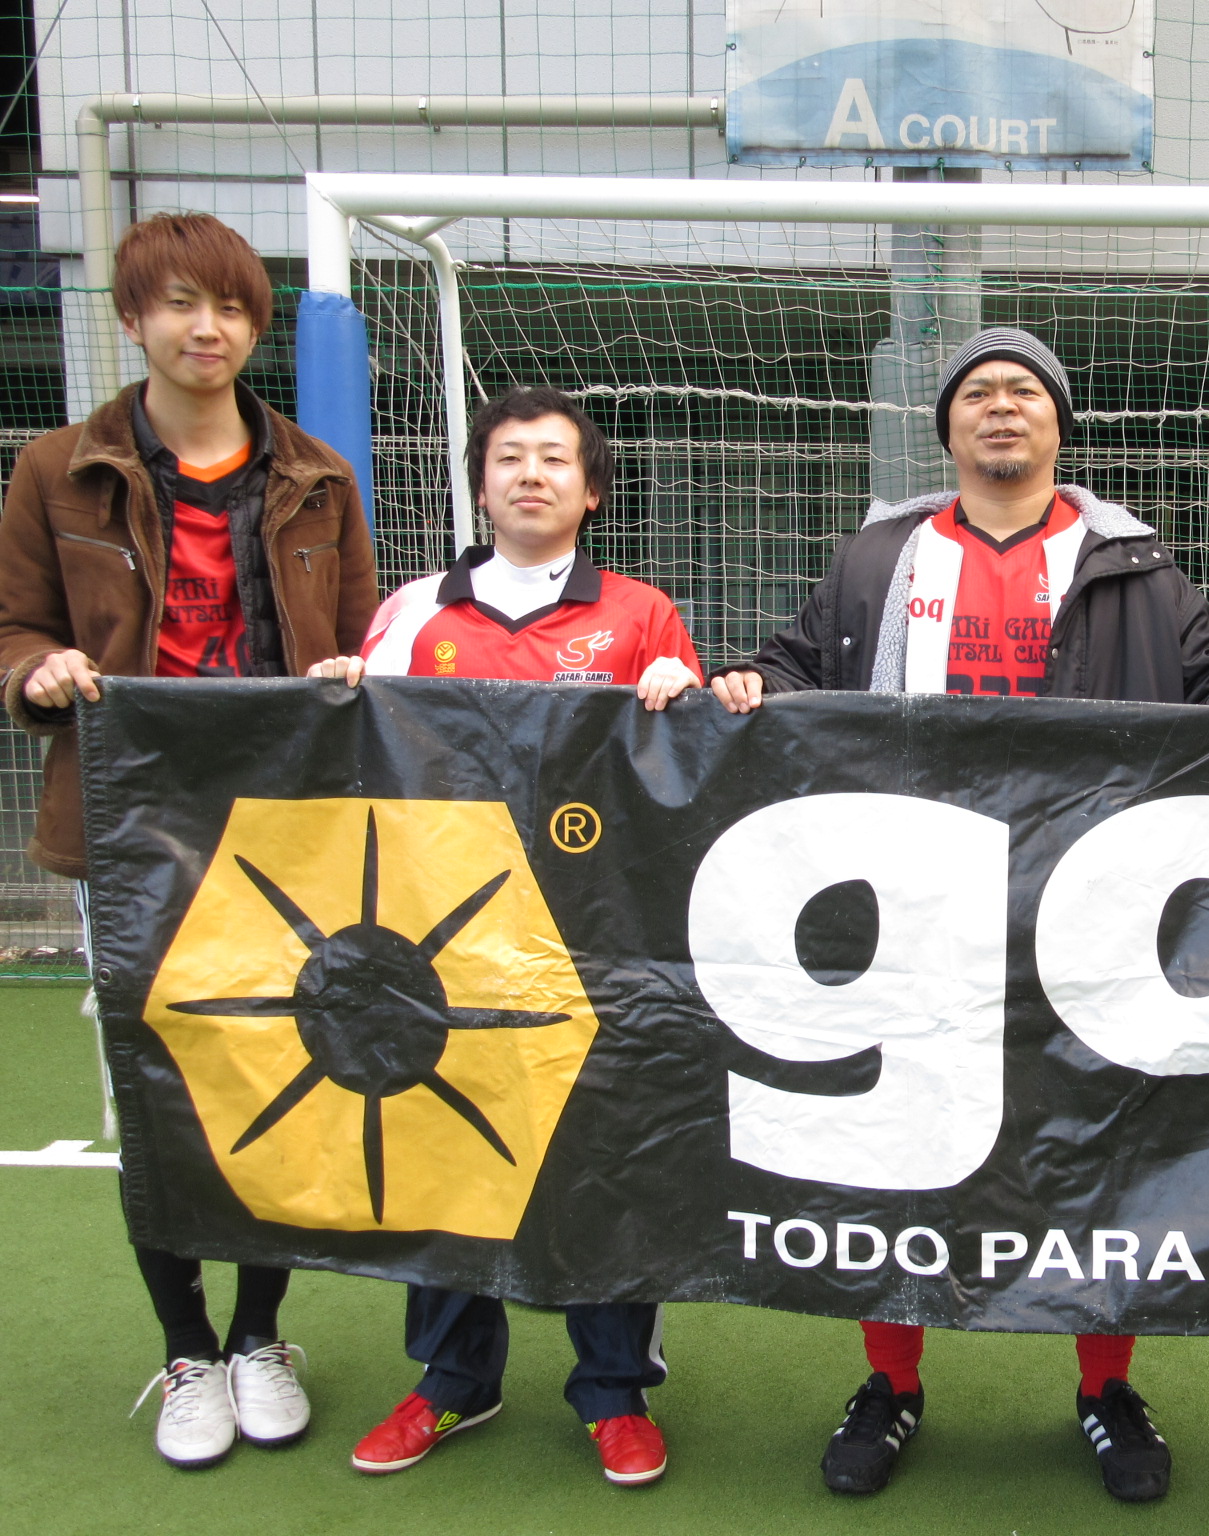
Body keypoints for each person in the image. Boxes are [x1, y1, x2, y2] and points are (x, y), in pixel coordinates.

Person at [713, 326, 1209, 1503]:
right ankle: (891, 1383)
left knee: (1100, 1150)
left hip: (1089, 914)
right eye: (977, 394)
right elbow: (799, 664)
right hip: (915, 910)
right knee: (896, 1155)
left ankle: (1104, 1388)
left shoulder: (1133, 565)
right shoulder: (882, 556)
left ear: (1057, 422)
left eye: (1022, 392)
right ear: (947, 427)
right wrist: (754, 680)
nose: (1000, 407)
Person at [0, 211, 377, 1467]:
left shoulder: (319, 476)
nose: (204, 328)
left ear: (256, 326)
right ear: (133, 318)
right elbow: (12, 628)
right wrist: (40, 669)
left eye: (228, 307)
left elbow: (361, 644)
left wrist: (347, 676)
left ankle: (261, 1334)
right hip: (129, 824)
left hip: (285, 831)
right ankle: (185, 1351)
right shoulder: (56, 470)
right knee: (156, 1092)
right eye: (177, 303)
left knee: (277, 1075)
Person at [307, 385, 701, 1485]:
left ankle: (613, 1389)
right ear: (480, 484)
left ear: (591, 490)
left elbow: (682, 777)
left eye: (555, 458)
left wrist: (683, 692)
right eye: (510, 456)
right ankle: (452, 1379)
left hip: (593, 941)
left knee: (599, 1157)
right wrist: (340, 694)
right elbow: (358, 769)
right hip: (440, 948)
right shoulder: (410, 613)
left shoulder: (641, 614)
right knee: (443, 1153)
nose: (532, 474)